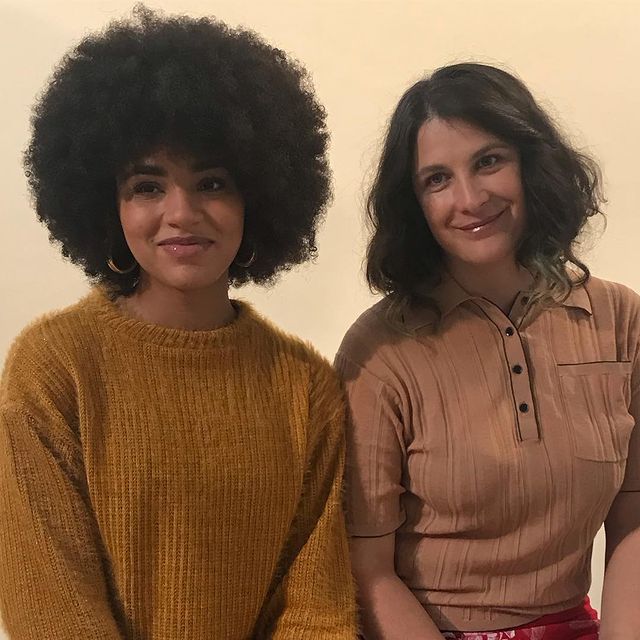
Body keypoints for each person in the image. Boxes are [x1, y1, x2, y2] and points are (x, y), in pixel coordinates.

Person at [0, 6, 356, 639]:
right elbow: (50, 608)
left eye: (212, 182)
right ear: (108, 204)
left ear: (260, 196)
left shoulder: (306, 386)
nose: (181, 212)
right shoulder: (53, 370)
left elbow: (317, 610)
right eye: (147, 185)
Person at [335, 62, 640, 640]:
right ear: (414, 203)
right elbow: (366, 571)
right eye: (437, 179)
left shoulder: (620, 320)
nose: (470, 198)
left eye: (489, 161)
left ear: (532, 163)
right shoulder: (377, 353)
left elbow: (634, 519)